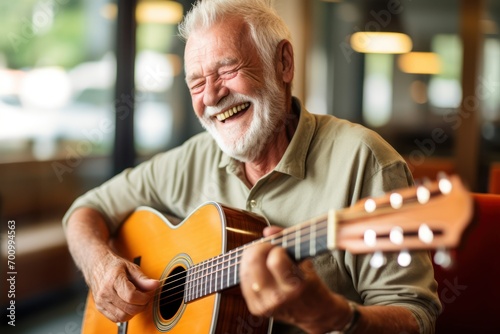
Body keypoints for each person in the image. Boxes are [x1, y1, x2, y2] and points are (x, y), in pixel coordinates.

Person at [63, 0, 441, 333]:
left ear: (284, 63)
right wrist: (100, 266)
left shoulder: (367, 162)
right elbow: (84, 211)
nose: (211, 96)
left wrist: (334, 318)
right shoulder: (192, 158)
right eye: (197, 83)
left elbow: (415, 318)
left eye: (227, 70)